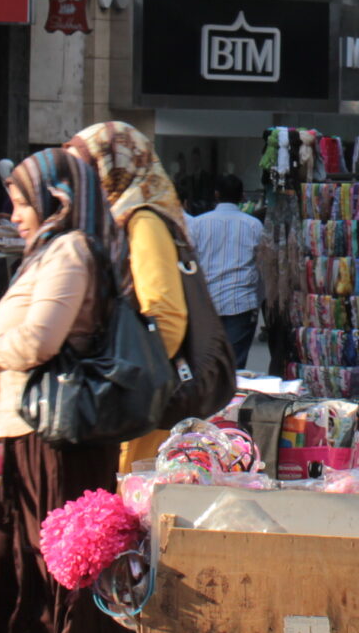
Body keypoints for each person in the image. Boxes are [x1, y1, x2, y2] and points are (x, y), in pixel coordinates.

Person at [0, 149, 136, 633]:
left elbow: (40, 340)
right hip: (29, 443)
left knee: (58, 589)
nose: (14, 215)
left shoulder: (72, 250)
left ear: (57, 200)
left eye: (22, 203)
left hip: (57, 444)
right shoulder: (50, 251)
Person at [66, 122, 193, 470]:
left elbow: (165, 317)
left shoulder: (142, 221)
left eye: (83, 170)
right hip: (124, 386)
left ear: (113, 167)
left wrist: (123, 383)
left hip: (134, 397)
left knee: (125, 489)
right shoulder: (114, 219)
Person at [189, 174, 263, 369]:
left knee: (207, 363)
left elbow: (189, 262)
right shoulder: (254, 225)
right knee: (234, 366)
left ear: (216, 194)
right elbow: (262, 263)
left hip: (207, 302)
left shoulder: (198, 224)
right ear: (242, 196)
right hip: (241, 301)